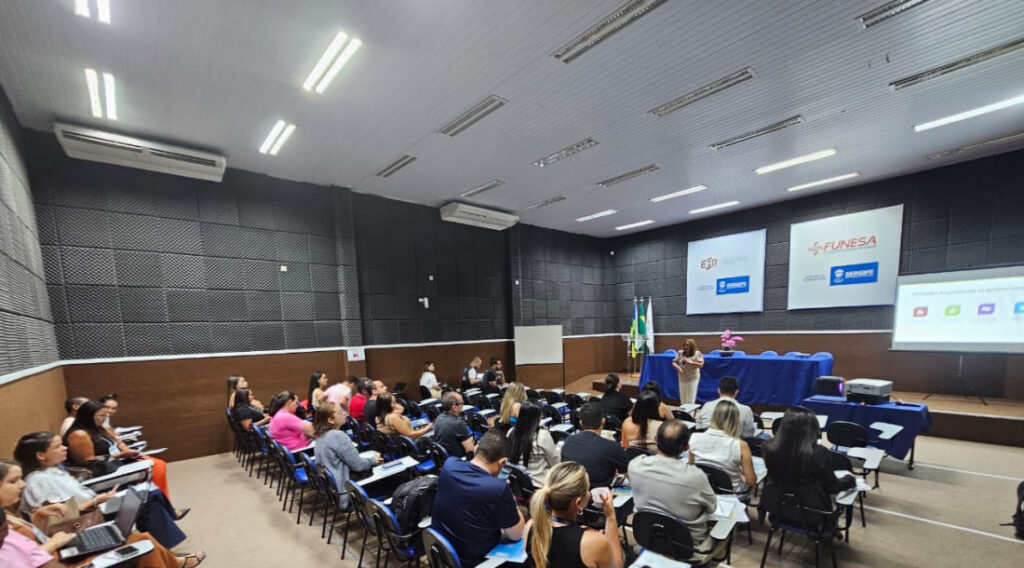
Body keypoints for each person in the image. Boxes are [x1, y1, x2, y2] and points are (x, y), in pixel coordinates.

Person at [0, 460, 205, 568]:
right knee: (141, 540)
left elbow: (34, 539)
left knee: (138, 534)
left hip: (62, 544)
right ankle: (173, 562)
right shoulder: (39, 482)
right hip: (61, 553)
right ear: (40, 454)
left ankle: (173, 561)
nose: (22, 485)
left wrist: (39, 517)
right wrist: (53, 544)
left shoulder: (6, 511)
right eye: (13, 481)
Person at [14, 434, 187, 550]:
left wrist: (98, 499)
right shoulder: (38, 481)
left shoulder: (50, 470)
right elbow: (56, 518)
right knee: (146, 501)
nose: (65, 448)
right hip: (85, 519)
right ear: (41, 455)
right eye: (58, 446)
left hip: (93, 507)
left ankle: (165, 546)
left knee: (147, 494)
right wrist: (95, 501)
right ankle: (168, 552)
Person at [628, 420, 725, 565]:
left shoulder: (635, 465)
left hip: (648, 536)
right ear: (686, 447)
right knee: (728, 530)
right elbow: (712, 508)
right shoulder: (696, 477)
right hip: (688, 546)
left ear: (656, 439)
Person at [431, 431, 525, 567]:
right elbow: (516, 535)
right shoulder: (498, 489)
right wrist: (509, 496)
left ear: (476, 449)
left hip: (442, 553)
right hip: (473, 561)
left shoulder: (449, 464)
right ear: (502, 462)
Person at [761, 406, 855, 522]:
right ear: (813, 430)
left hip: (778, 507)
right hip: (812, 512)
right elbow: (833, 487)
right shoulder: (819, 453)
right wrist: (849, 480)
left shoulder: (768, 447)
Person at [62, 401, 171, 500]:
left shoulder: (100, 428)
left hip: (116, 460)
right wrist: (120, 455)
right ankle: (159, 500)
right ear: (88, 416)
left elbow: (119, 442)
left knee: (158, 464)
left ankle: (163, 501)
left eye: (106, 416)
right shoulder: (79, 434)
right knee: (155, 467)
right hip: (99, 469)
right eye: (101, 416)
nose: (104, 419)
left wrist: (127, 451)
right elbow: (88, 461)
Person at [526, 461, 623, 568]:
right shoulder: (593, 542)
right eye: (588, 489)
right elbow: (617, 565)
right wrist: (610, 516)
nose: (589, 493)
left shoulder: (530, 526)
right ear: (578, 503)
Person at [311, 404, 381, 508]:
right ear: (331, 420)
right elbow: (358, 466)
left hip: (333, 488)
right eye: (340, 413)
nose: (345, 414)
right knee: (395, 478)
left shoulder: (320, 435)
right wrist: (373, 460)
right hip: (346, 489)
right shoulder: (338, 436)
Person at [688, 399, 756, 494]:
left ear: (713, 417)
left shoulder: (694, 437)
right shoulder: (741, 445)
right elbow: (751, 481)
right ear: (736, 420)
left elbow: (691, 465)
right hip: (732, 493)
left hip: (701, 489)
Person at [561, 402, 630, 488]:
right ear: (603, 421)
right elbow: (629, 473)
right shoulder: (613, 447)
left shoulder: (568, 441)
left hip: (573, 490)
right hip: (602, 492)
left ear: (581, 423)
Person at [507, 400, 559, 483]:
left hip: (518, 482)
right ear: (538, 417)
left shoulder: (511, 432)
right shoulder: (542, 435)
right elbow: (555, 464)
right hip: (540, 484)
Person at [433, 393, 475, 458]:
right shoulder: (458, 423)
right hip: (459, 458)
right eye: (461, 403)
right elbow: (470, 451)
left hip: (444, 458)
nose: (463, 405)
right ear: (454, 407)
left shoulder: (438, 418)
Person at [672, 339, 704, 406]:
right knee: (683, 397)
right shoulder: (680, 353)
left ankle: (690, 412)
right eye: (685, 345)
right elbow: (674, 362)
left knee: (690, 398)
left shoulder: (697, 353)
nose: (686, 347)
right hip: (682, 377)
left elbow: (700, 365)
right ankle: (683, 411)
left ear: (692, 346)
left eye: (688, 345)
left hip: (692, 377)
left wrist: (690, 362)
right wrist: (678, 368)